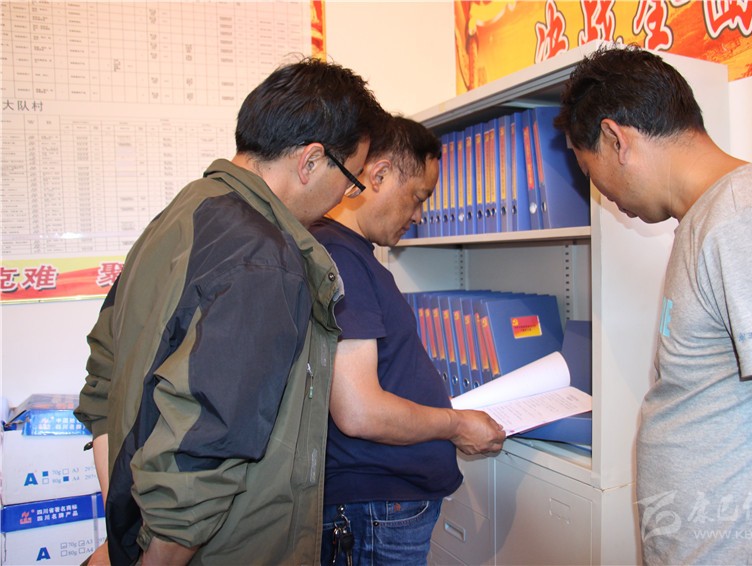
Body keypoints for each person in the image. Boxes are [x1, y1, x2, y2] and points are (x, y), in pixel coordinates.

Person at [73, 58, 388, 566]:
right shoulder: (264, 258)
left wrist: (124, 527)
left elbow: (103, 374)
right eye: (350, 180)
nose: (342, 199)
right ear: (311, 161)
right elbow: (205, 450)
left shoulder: (183, 213)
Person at [554, 45, 752, 565]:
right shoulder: (715, 218)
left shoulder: (744, 222)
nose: (596, 191)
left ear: (615, 139)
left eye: (587, 169)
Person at [308, 115, 506, 565]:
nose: (419, 216)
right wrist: (456, 425)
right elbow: (359, 411)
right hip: (373, 508)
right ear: (378, 175)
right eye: (417, 197)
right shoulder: (341, 257)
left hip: (379, 507)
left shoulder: (351, 254)